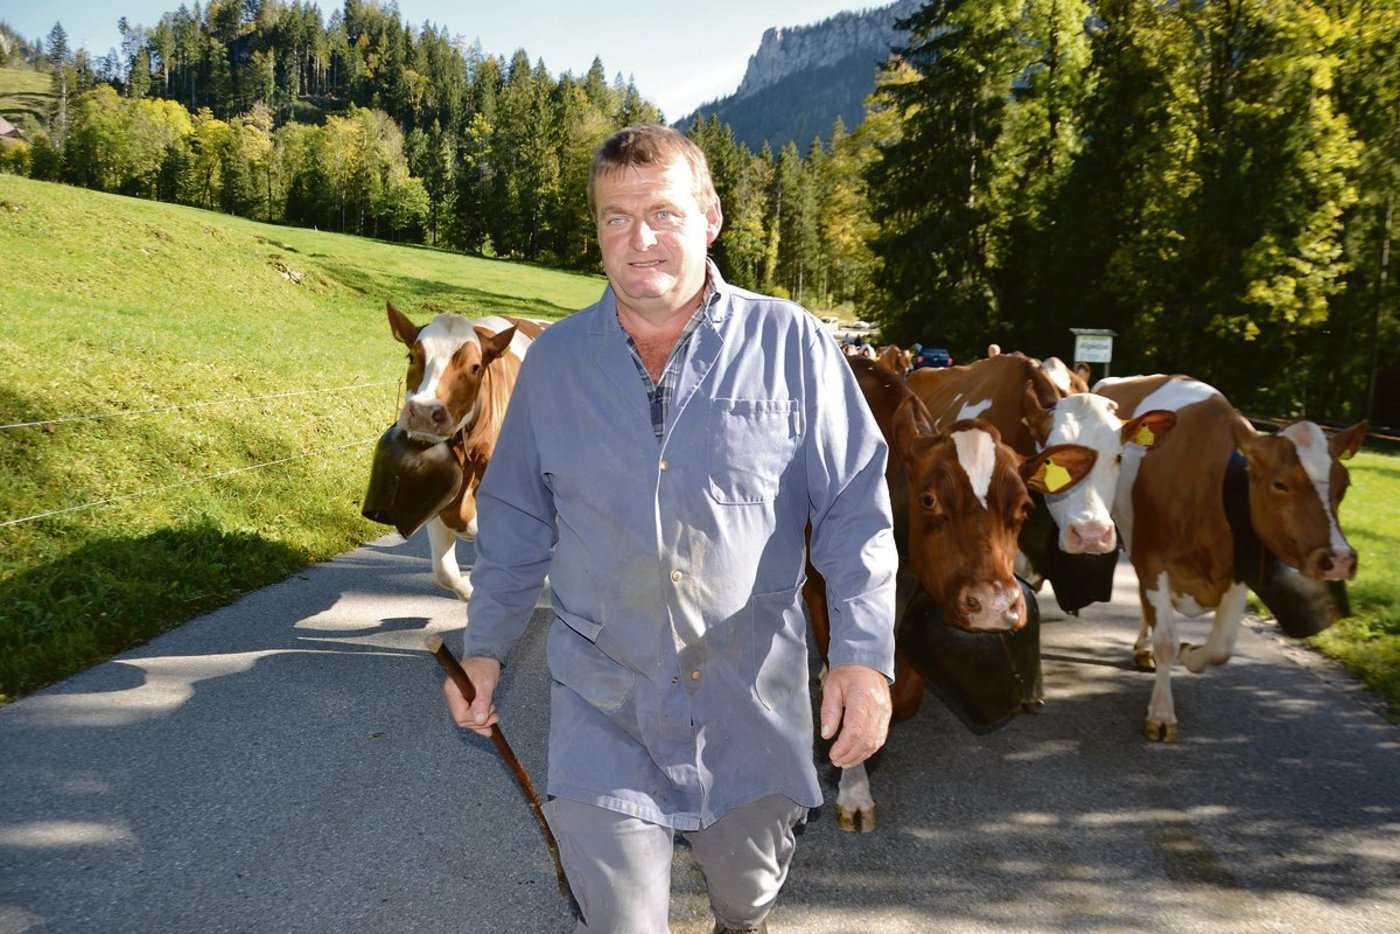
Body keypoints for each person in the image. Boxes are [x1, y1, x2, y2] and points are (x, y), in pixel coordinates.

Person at [442, 124, 897, 933]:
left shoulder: (793, 345)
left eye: (662, 212)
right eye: (615, 218)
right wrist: (484, 648)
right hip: (604, 699)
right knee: (618, 918)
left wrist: (862, 659)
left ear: (711, 216)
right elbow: (513, 524)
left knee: (746, 895)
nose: (639, 238)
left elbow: (855, 509)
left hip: (750, 702)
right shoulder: (554, 365)